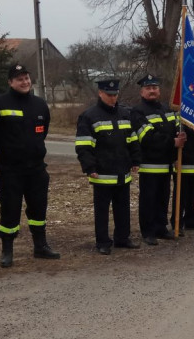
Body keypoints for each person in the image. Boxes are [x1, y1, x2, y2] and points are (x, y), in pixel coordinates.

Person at [0, 63, 60, 266]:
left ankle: (41, 246)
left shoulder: (40, 104)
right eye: (20, 79)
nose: (25, 82)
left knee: (38, 209)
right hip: (10, 169)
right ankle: (7, 250)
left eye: (27, 78)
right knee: (10, 209)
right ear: (10, 82)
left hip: (36, 168)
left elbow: (42, 131)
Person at [74, 79, 140, 253]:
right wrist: (90, 168)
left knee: (123, 208)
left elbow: (132, 139)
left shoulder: (125, 114)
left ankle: (122, 238)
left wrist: (135, 160)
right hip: (102, 173)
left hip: (122, 172)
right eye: (109, 95)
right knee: (102, 212)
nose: (113, 98)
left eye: (115, 95)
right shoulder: (89, 116)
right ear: (100, 93)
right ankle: (103, 242)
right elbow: (84, 146)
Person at [129, 74, 187, 245]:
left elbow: (176, 128)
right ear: (142, 92)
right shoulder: (138, 111)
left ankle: (161, 227)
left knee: (163, 198)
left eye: (155, 88)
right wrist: (172, 142)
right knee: (149, 200)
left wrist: (181, 136)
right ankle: (148, 231)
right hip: (149, 165)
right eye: (148, 88)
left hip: (166, 164)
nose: (152, 91)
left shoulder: (167, 109)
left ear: (159, 91)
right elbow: (146, 137)